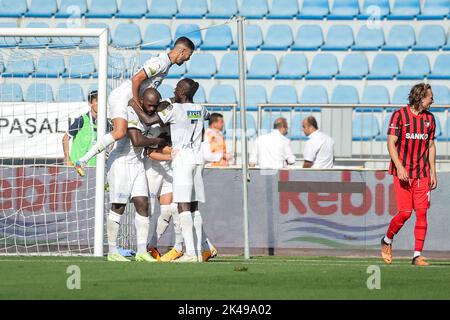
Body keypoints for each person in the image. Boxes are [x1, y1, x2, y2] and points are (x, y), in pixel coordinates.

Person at [73, 37, 195, 177]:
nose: (188, 59)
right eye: (189, 55)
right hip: (122, 97)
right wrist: (137, 103)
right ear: (183, 51)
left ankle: (108, 176)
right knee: (120, 132)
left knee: (124, 138)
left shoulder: (166, 64)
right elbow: (136, 79)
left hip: (130, 98)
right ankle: (82, 160)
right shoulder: (160, 63)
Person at [130, 79, 212, 263]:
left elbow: (149, 120)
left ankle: (190, 253)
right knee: (194, 207)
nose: (174, 90)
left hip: (182, 159)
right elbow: (209, 117)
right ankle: (199, 252)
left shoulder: (174, 109)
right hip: (199, 159)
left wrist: (133, 105)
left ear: (182, 92)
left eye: (177, 88)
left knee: (182, 206)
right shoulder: (201, 108)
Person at [105, 88, 167, 262]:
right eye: (149, 106)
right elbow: (137, 140)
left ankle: (141, 251)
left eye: (155, 107)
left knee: (143, 203)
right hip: (121, 163)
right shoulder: (131, 111)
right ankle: (112, 251)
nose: (151, 110)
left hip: (137, 163)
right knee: (119, 206)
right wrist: (158, 142)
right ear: (141, 100)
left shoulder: (152, 111)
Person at [381, 83, 437, 267]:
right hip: (402, 173)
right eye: (430, 96)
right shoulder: (399, 115)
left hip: (422, 174)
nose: (432, 100)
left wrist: (433, 172)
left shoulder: (430, 119)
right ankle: (387, 240)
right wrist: (399, 166)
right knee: (405, 213)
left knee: (421, 213)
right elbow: (391, 142)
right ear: (421, 98)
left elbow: (430, 146)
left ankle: (417, 255)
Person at [62, 90, 101, 167]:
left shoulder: (104, 122)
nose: (100, 104)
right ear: (90, 104)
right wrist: (67, 159)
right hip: (77, 166)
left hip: (95, 167)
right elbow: (65, 138)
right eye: (97, 101)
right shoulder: (82, 119)